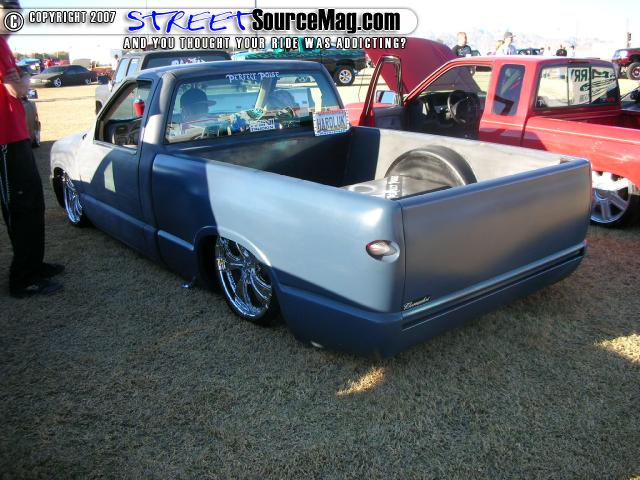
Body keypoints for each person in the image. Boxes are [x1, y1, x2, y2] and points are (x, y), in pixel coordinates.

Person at [0, 0, 64, 297]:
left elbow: (21, 86)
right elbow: (18, 89)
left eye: (17, 15)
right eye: (8, 14)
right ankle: (22, 278)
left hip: (17, 136)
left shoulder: (5, 45)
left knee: (34, 202)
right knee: (20, 207)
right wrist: (22, 80)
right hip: (4, 140)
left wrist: (22, 80)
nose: (13, 21)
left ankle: (34, 265)